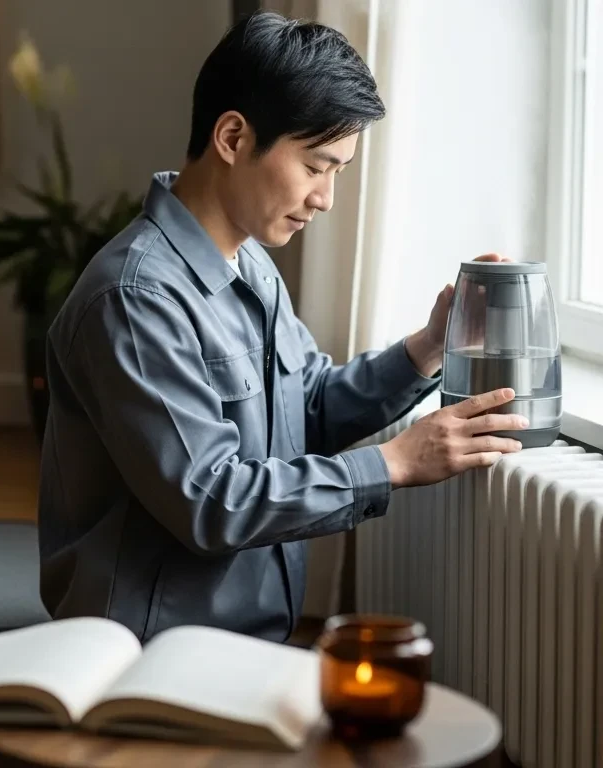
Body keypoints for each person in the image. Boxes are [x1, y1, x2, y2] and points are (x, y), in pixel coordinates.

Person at [37, 11, 526, 644]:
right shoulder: (135, 298)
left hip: (242, 642)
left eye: (338, 174)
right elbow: (210, 499)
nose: (325, 198)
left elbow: (307, 407)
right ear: (234, 138)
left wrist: (433, 342)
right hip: (147, 653)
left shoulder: (253, 266)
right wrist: (394, 464)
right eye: (316, 167)